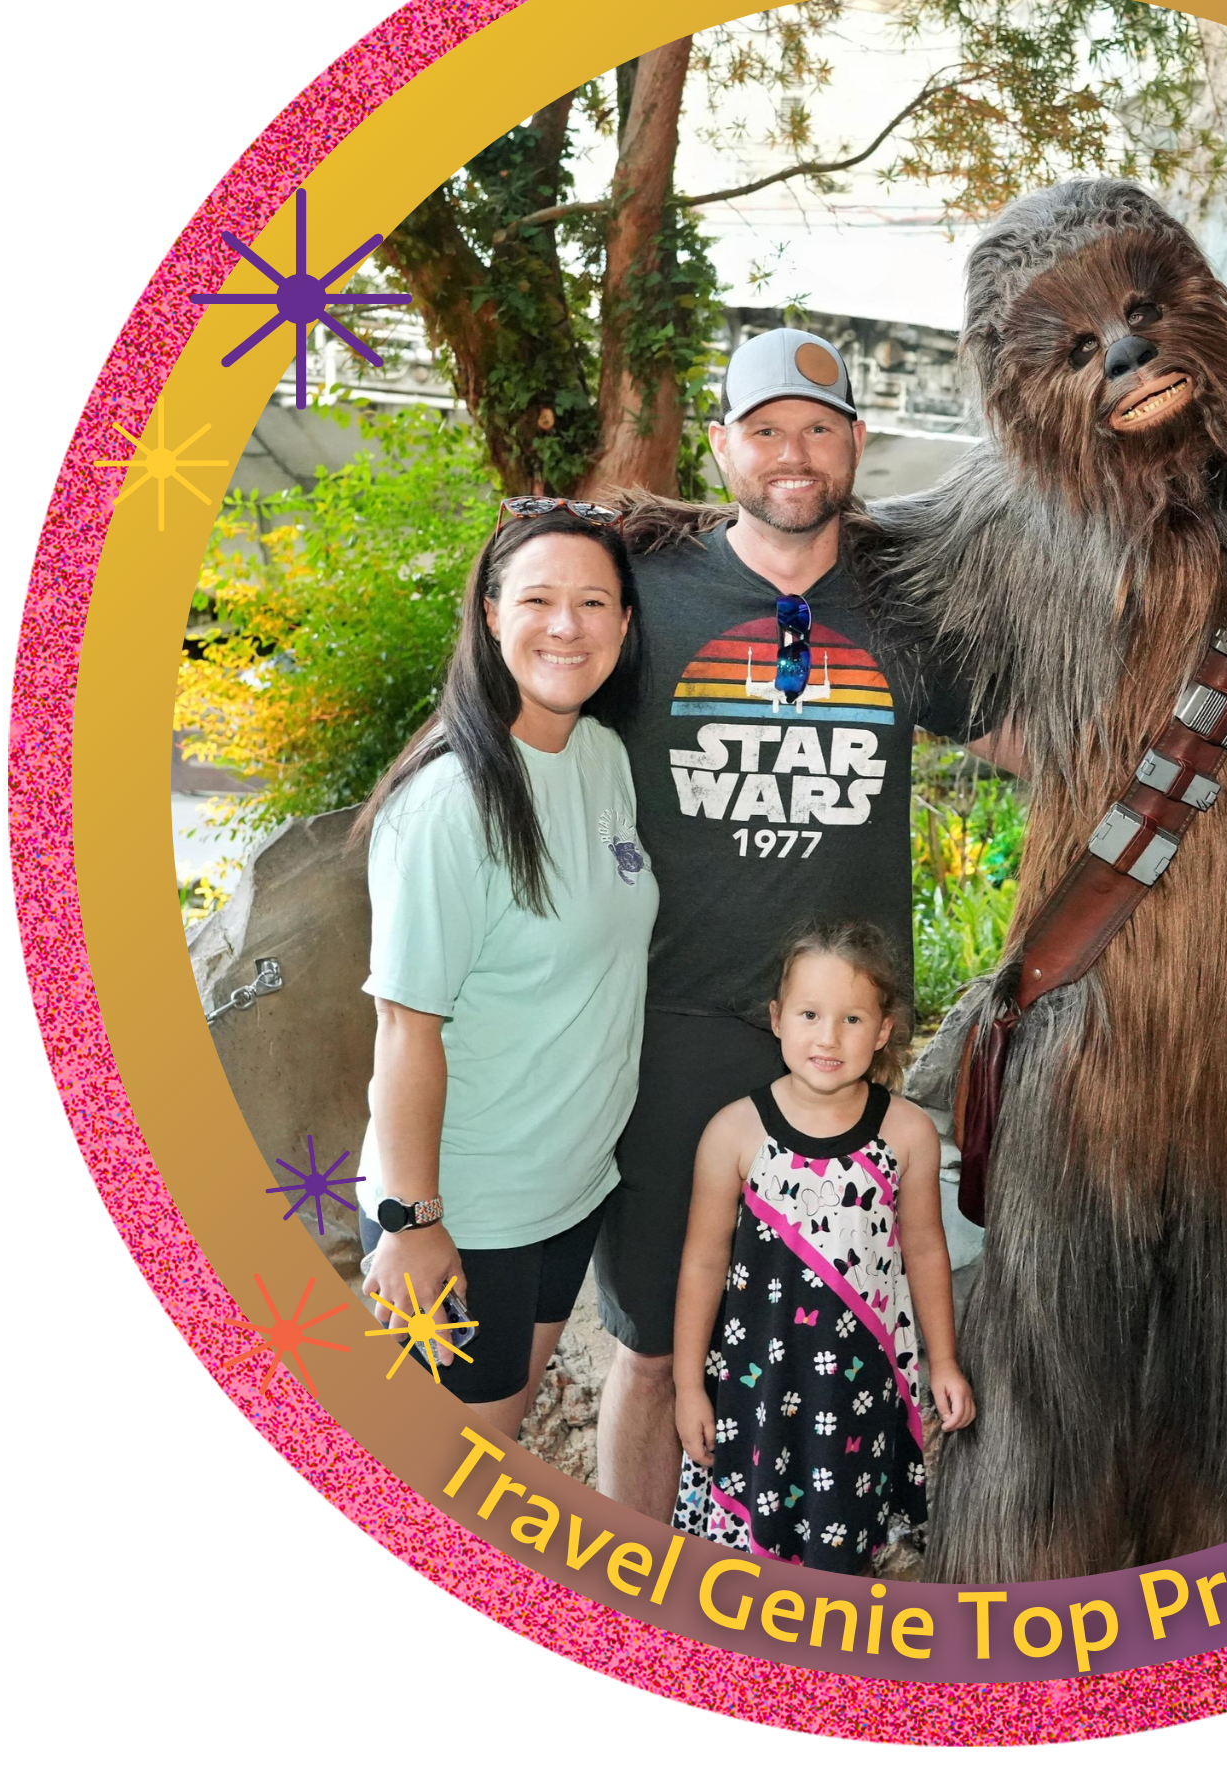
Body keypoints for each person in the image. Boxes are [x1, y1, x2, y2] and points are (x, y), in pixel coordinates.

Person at [595, 326, 999, 1515]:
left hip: (837, 1040)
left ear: (855, 442)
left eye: (818, 428)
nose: (793, 452)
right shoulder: (647, 597)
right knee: (654, 1344)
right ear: (722, 446)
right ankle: (630, 1581)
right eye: (765, 428)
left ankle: (790, 1561)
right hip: (673, 1023)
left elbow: (1028, 734)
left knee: (823, 1323)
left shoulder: (899, 606)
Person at [353, 499, 655, 1441]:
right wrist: (411, 1222)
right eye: (537, 599)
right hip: (468, 1211)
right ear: (491, 615)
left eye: (594, 602)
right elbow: (406, 1026)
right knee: (440, 1480)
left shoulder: (600, 756)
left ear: (624, 624)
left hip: (569, 1191)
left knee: (498, 1445)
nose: (568, 626)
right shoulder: (449, 804)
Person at [671, 920, 974, 1569]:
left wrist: (944, 1362)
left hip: (858, 1391)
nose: (828, 1037)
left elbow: (925, 1250)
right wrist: (688, 1385)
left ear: (883, 1031)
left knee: (845, 1551)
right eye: (810, 1014)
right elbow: (702, 1261)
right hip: (758, 1385)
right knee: (751, 1559)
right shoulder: (734, 1133)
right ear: (777, 1019)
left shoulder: (907, 1134)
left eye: (852, 1019)